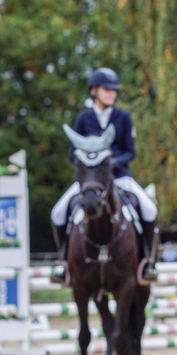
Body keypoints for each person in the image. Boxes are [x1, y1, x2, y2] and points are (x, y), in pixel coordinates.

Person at [51, 67, 158, 284]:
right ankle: (62, 261)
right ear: (94, 91)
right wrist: (92, 163)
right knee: (57, 212)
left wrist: (110, 163)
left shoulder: (123, 117)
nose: (112, 93)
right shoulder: (83, 119)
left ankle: (148, 261)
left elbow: (130, 152)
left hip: (119, 178)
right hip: (90, 180)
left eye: (114, 90)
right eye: (106, 89)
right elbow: (73, 154)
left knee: (149, 209)